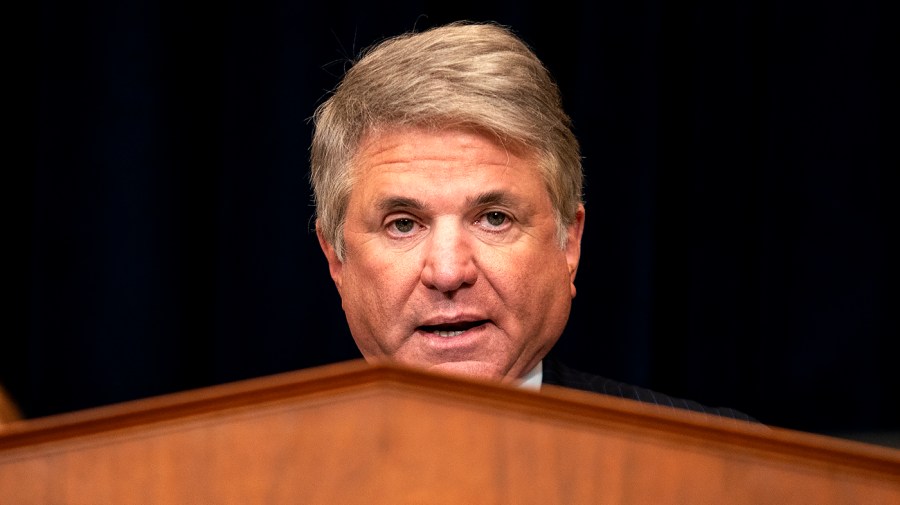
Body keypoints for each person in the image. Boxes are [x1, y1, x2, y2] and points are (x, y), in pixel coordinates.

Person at [311, 22, 752, 421]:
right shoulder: (247, 468)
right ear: (337, 260)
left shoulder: (728, 470)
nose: (447, 273)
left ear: (569, 245)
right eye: (403, 224)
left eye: (494, 218)